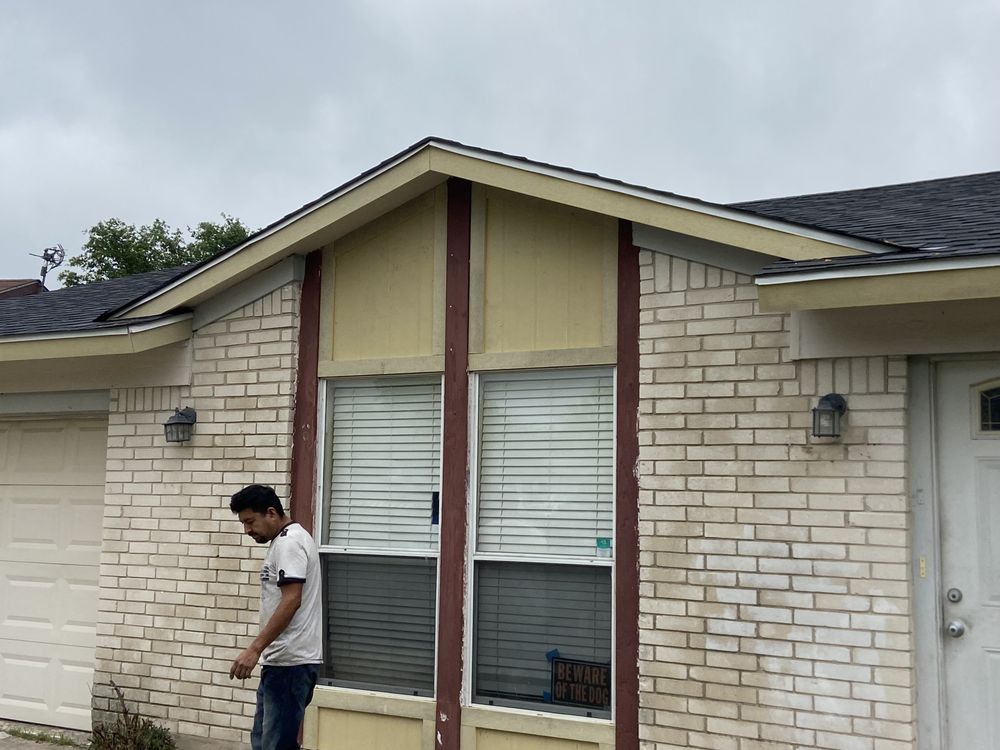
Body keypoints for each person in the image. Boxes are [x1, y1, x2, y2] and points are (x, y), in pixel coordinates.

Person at [228, 484, 322, 750]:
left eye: (250, 521)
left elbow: (292, 600)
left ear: (271, 512)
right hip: (281, 662)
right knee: (263, 742)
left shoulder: (290, 542)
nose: (247, 530)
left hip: (291, 663)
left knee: (275, 745)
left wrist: (254, 649)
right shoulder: (284, 541)